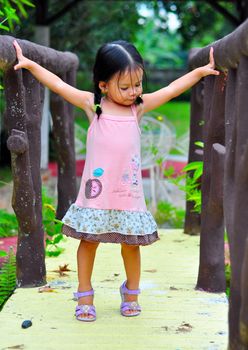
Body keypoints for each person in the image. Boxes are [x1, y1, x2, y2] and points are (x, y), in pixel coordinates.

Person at [13, 39, 219, 322]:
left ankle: (131, 291)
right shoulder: (93, 105)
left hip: (127, 197)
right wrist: (31, 64)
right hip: (96, 197)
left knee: (131, 245)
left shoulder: (138, 107)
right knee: (88, 242)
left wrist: (200, 72)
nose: (134, 92)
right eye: (125, 87)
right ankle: (84, 292)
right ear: (103, 85)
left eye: (138, 84)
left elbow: (171, 90)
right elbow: (59, 86)